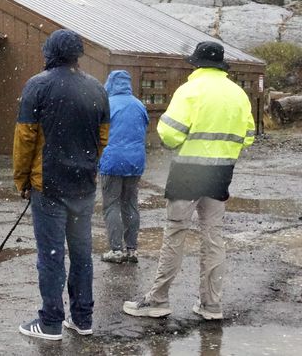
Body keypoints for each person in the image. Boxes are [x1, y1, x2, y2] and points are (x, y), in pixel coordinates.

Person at [123, 41, 255, 321]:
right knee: (213, 237)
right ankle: (211, 305)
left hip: (187, 173)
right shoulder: (238, 94)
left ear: (195, 64)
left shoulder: (190, 90)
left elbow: (169, 134)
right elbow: (249, 136)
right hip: (221, 173)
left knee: (175, 234)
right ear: (222, 65)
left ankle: (158, 300)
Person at [13, 29, 110, 340]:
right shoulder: (97, 88)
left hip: (49, 187)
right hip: (84, 186)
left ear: (49, 53)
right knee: (82, 254)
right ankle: (83, 319)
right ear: (77, 55)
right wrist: (87, 166)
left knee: (52, 255)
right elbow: (103, 137)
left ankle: (51, 322)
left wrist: (22, 179)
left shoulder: (37, 85)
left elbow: (25, 138)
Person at [99, 70, 150, 264]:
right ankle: (131, 249)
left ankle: (116, 250)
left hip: (112, 160)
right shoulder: (139, 105)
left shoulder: (107, 104)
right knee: (130, 203)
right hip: (135, 161)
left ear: (110, 83)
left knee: (111, 204)